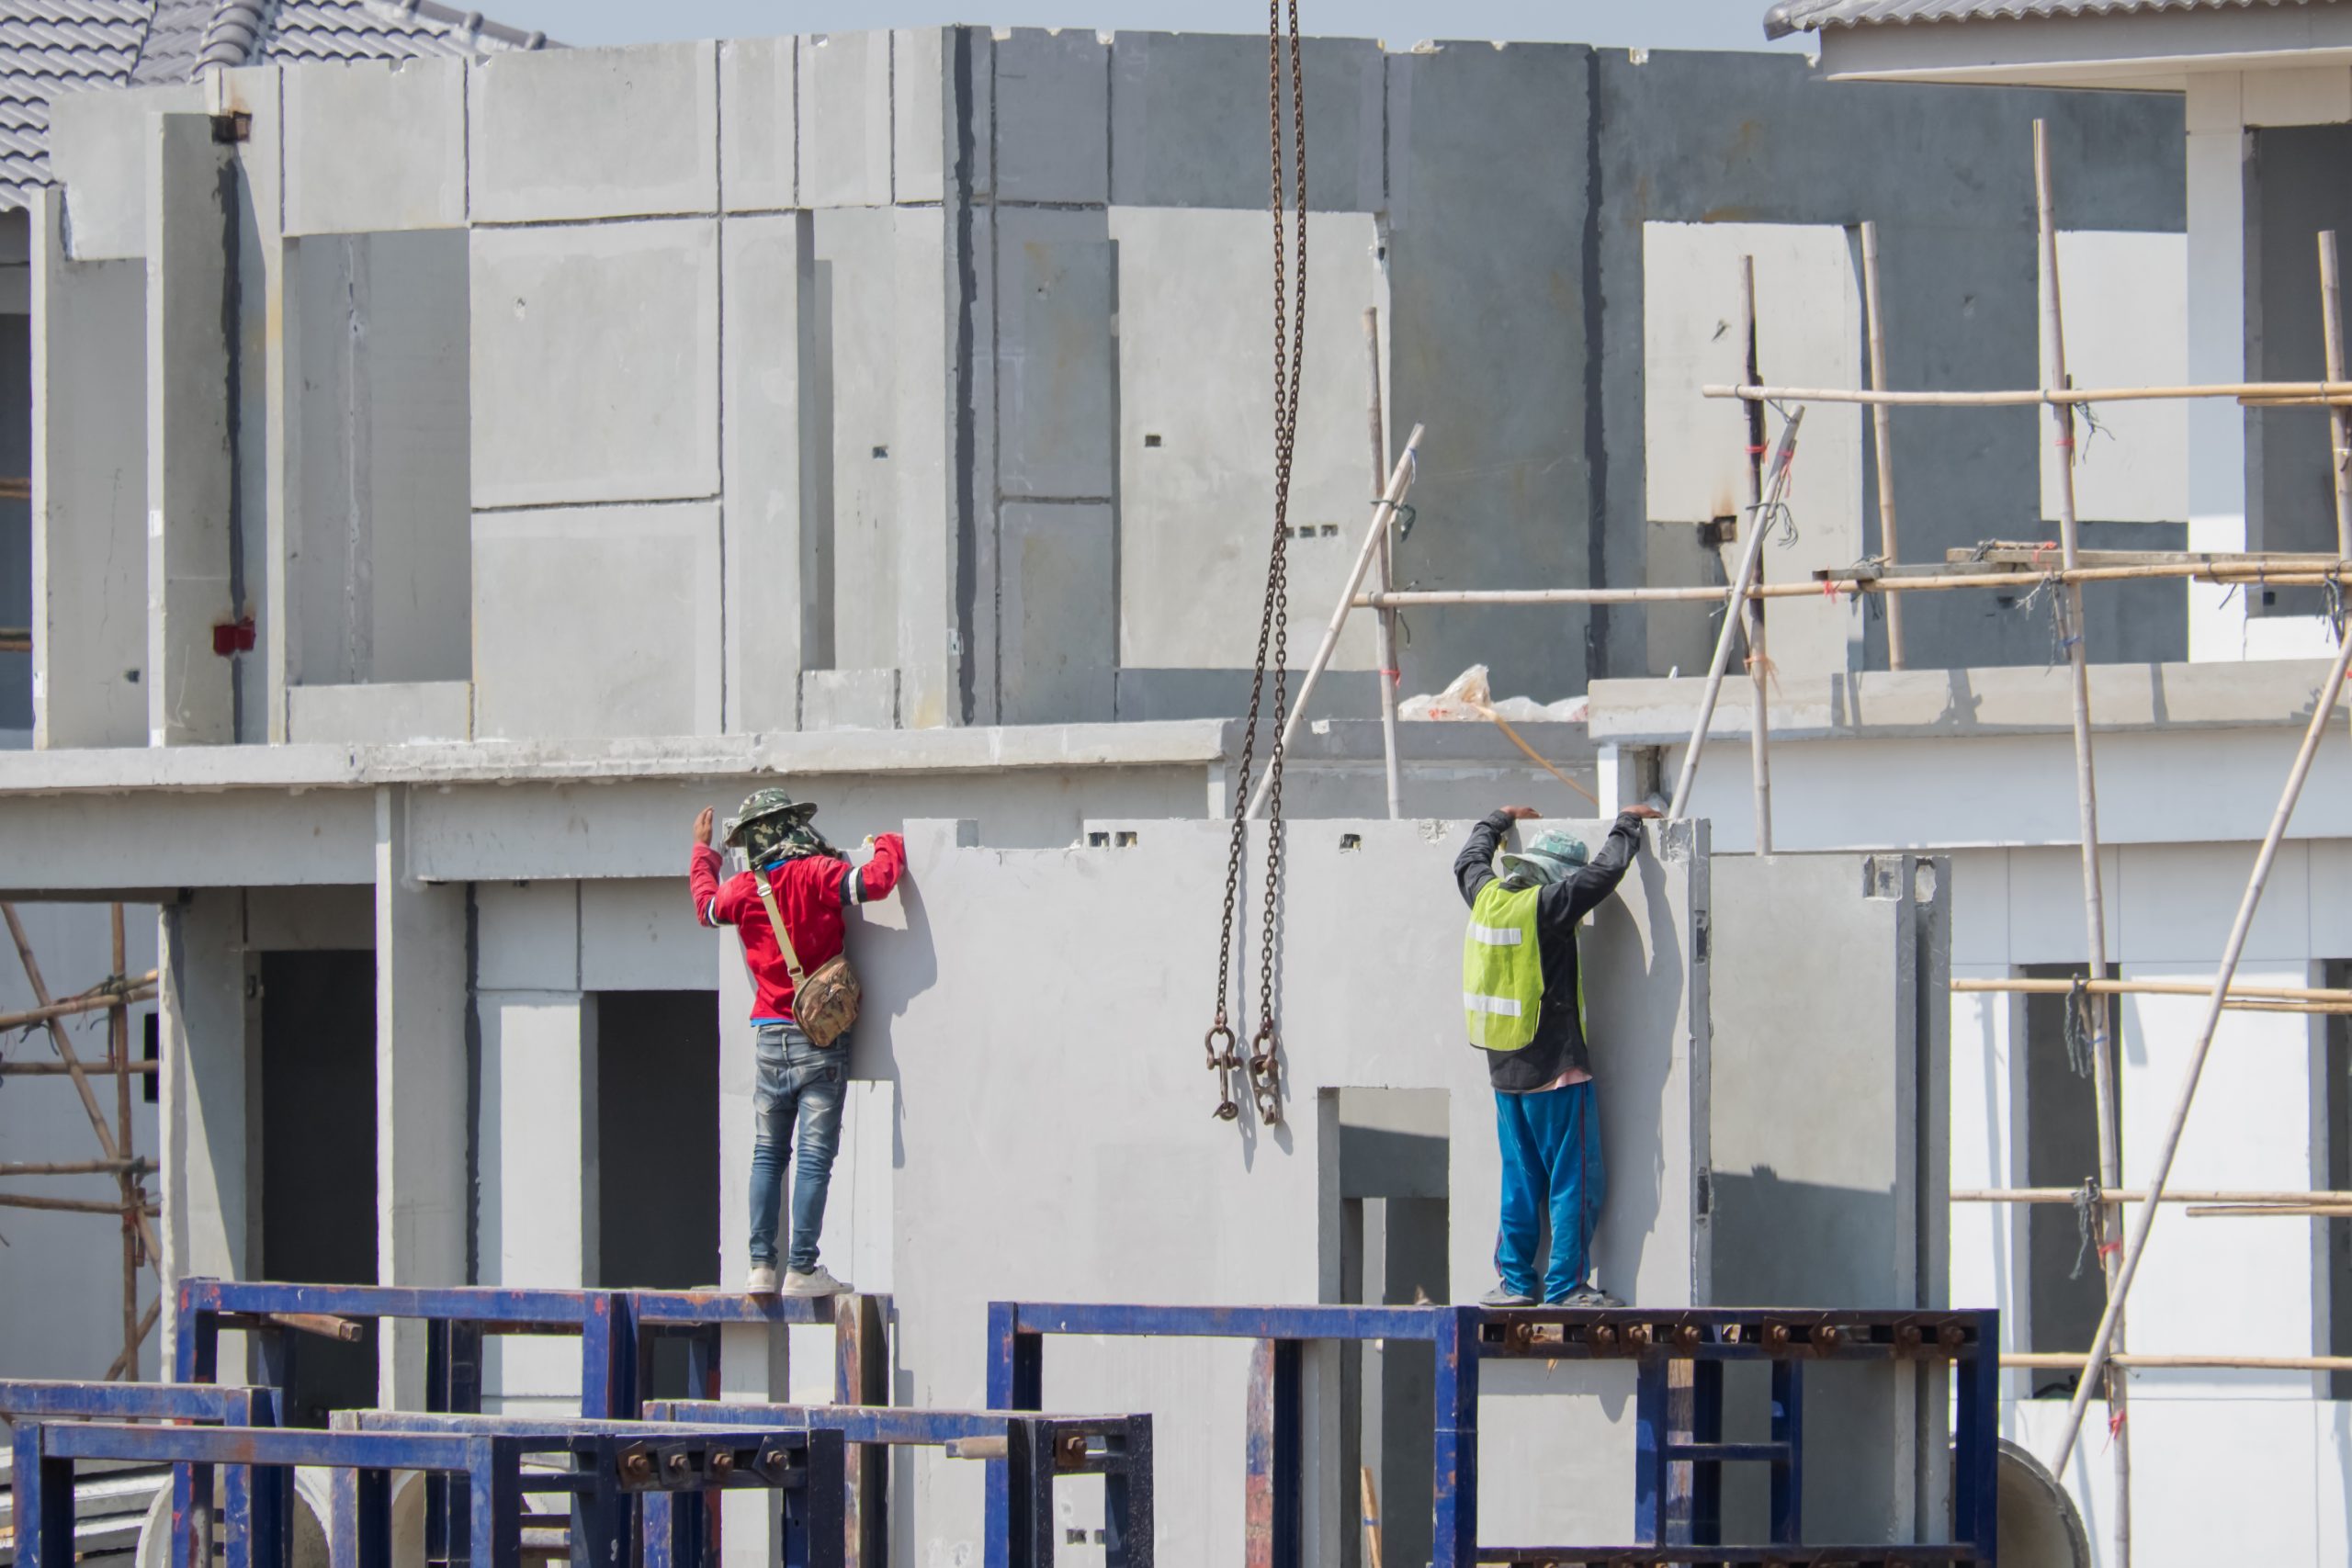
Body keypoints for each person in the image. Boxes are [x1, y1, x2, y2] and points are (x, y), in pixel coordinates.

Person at [691, 788, 905, 1296]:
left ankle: (760, 1266)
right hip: (820, 1037)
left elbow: (705, 908)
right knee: (813, 1156)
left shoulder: (742, 890)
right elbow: (875, 881)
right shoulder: (816, 874)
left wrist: (704, 855)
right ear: (792, 825)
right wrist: (888, 842)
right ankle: (802, 1268)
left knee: (768, 1153)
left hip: (767, 1035)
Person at [1454, 801, 1660, 1308]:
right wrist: (1628, 823)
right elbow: (1605, 872)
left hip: (1504, 1069)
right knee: (1574, 1181)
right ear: (1554, 879)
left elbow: (1468, 861)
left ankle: (1516, 1284)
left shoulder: (1487, 898)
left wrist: (1498, 819)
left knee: (1521, 1183)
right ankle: (1566, 1286)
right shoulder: (1549, 907)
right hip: (1556, 1071)